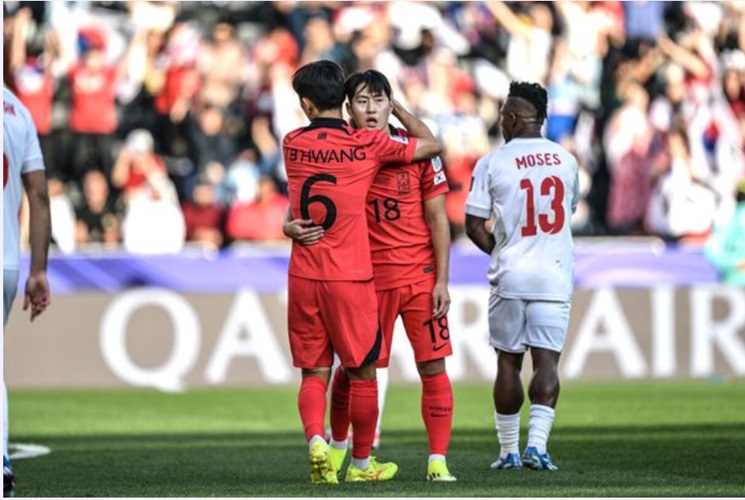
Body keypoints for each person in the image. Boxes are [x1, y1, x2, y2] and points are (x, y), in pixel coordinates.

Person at [285, 69, 456, 482]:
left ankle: (436, 460)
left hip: (416, 277)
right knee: (355, 371)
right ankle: (348, 454)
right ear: (347, 106)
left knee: (428, 367)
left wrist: (442, 280)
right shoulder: (366, 145)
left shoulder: (297, 142)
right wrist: (288, 222)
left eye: (380, 100)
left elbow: (438, 219)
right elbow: (433, 143)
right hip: (365, 278)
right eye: (362, 101)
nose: (373, 109)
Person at [464, 81, 579, 471]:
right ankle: (538, 447)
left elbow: (474, 224)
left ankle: (509, 451)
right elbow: (569, 210)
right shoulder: (566, 159)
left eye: (502, 115)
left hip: (511, 275)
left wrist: (500, 248)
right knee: (547, 364)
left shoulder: (493, 162)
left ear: (512, 118)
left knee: (508, 363)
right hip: (554, 274)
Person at [3, 87, 52, 496]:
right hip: (6, 261)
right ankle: (0, 458)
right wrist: (38, 269)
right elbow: (38, 192)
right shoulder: (17, 109)